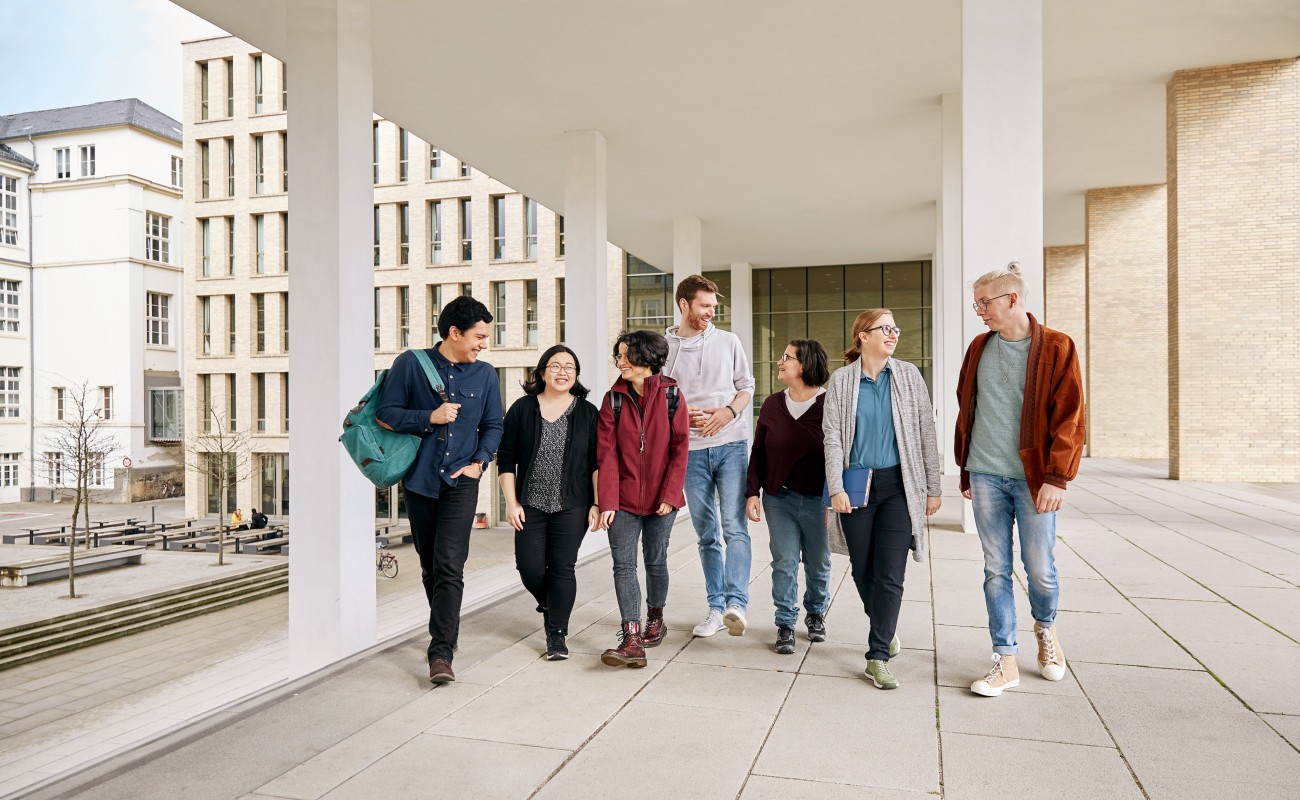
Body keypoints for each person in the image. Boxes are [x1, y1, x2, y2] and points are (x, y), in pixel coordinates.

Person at [956, 264, 1084, 698]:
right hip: (986, 475)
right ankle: (1004, 658)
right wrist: (966, 469)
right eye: (976, 304)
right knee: (995, 570)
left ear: (1012, 299)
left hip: (1035, 481)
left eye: (984, 303)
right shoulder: (978, 348)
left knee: (1041, 572)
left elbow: (1071, 418)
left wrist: (1058, 478)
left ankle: (1045, 631)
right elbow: (967, 409)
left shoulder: (1058, 347)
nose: (979, 312)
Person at [377, 295, 503, 685]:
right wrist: (428, 417)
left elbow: (494, 425)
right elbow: (386, 414)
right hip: (419, 480)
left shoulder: (484, 375)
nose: (484, 344)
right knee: (430, 564)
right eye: (479, 336)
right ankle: (445, 627)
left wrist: (478, 463)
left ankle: (441, 651)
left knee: (450, 564)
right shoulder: (410, 364)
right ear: (454, 332)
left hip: (461, 482)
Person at [823, 309, 942, 690]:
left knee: (891, 573)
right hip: (857, 485)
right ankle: (884, 625)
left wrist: (933, 486)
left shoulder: (908, 376)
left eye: (895, 328)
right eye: (885, 329)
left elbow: (925, 430)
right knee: (862, 569)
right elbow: (832, 438)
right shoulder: (842, 381)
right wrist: (836, 487)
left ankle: (876, 655)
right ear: (863, 336)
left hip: (898, 487)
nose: (893, 334)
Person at [663, 275, 756, 638]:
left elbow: (746, 387)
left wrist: (727, 413)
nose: (711, 312)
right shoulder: (664, 348)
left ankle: (737, 604)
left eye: (714, 306)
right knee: (706, 534)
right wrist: (680, 417)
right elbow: (657, 397)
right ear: (684, 305)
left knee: (735, 527)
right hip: (690, 451)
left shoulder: (729, 341)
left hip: (732, 444)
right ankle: (716, 608)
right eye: (704, 305)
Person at [497, 345, 600, 661]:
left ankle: (557, 635)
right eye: (555, 366)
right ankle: (554, 603)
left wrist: (597, 503)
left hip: (573, 504)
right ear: (542, 372)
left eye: (570, 367)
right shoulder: (522, 408)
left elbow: (598, 462)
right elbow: (506, 460)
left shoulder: (587, 412)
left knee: (562, 567)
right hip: (530, 503)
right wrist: (511, 503)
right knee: (528, 567)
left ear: (576, 375)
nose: (563, 372)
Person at [596, 330, 689, 668]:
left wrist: (670, 493)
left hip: (662, 500)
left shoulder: (672, 396)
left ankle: (656, 617)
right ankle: (631, 636)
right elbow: (605, 456)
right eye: (618, 355)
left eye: (626, 355)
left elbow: (680, 448)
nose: (620, 361)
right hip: (621, 500)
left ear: (646, 358)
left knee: (655, 561)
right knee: (623, 564)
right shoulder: (613, 400)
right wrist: (607, 501)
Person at [745, 339, 833, 655]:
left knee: (818, 562)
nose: (780, 362)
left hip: (818, 501)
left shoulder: (830, 405)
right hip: (778, 498)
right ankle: (785, 622)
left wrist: (836, 496)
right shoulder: (771, 404)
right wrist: (751, 492)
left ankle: (815, 612)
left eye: (787, 357)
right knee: (783, 561)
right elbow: (758, 452)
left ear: (805, 365)